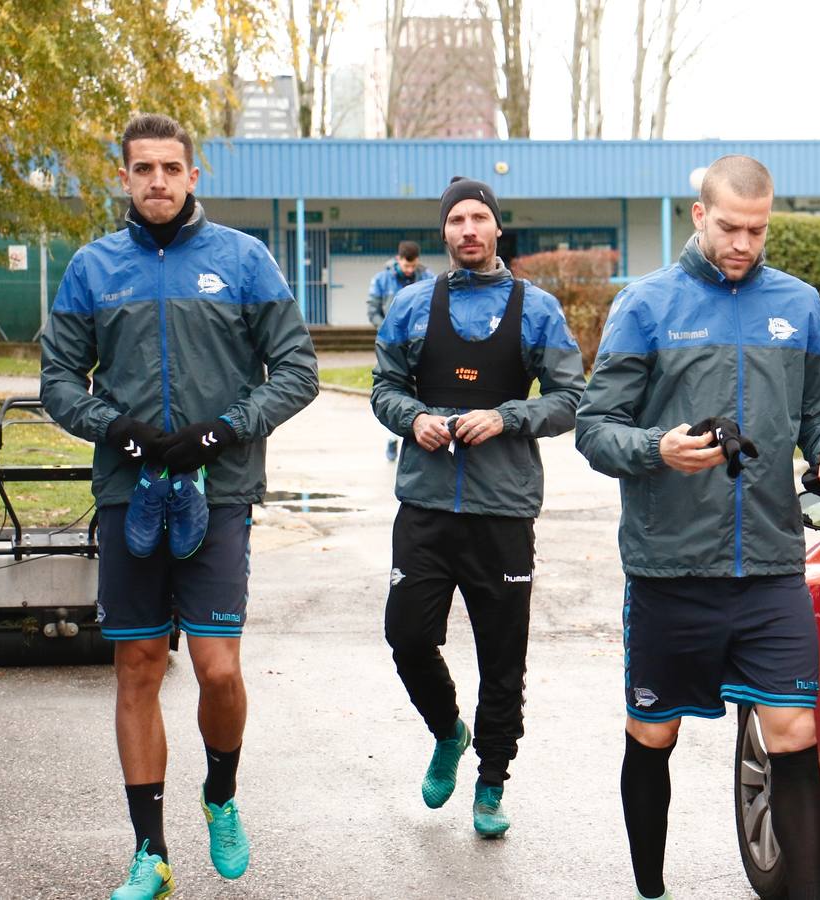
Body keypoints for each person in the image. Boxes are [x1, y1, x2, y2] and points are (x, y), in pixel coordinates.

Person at [40, 113, 318, 899]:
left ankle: (221, 795)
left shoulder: (244, 259)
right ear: (123, 178)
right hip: (129, 496)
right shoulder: (94, 268)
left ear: (195, 176)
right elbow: (59, 379)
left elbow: (295, 370)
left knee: (217, 667)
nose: (157, 180)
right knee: (136, 665)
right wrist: (117, 431)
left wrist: (222, 431)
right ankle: (151, 853)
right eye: (142, 169)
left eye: (171, 167)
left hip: (217, 492)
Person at [575, 155, 820, 900]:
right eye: (731, 226)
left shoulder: (798, 303)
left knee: (794, 734)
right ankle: (650, 888)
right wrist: (656, 449)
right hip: (670, 570)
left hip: (769, 568)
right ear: (699, 215)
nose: (744, 242)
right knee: (654, 736)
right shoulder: (645, 305)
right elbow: (595, 428)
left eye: (758, 229)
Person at [370, 176, 585, 837]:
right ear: (444, 231)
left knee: (502, 655)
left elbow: (570, 396)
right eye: (457, 219)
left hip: (502, 510)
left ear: (497, 230)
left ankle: (491, 782)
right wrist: (412, 420)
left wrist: (508, 416)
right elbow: (383, 388)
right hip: (427, 505)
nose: (468, 229)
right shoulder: (410, 305)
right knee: (406, 635)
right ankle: (448, 731)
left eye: (479, 218)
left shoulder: (537, 308)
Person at [369, 241, 434, 462]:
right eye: (406, 265)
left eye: (412, 266)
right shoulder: (381, 279)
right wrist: (388, 332)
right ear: (399, 259)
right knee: (394, 392)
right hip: (393, 345)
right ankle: (391, 439)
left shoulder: (428, 277)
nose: (409, 270)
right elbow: (373, 309)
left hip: (421, 344)